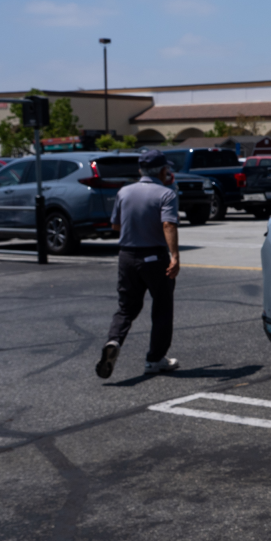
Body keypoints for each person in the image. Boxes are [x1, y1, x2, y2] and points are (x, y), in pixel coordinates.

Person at [95, 149, 182, 378]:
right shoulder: (166, 194)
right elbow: (168, 225)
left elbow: (116, 226)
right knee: (162, 307)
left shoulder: (124, 192)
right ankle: (155, 359)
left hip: (127, 256)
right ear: (163, 170)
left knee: (126, 307)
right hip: (154, 257)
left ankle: (114, 341)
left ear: (140, 170)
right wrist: (175, 256)